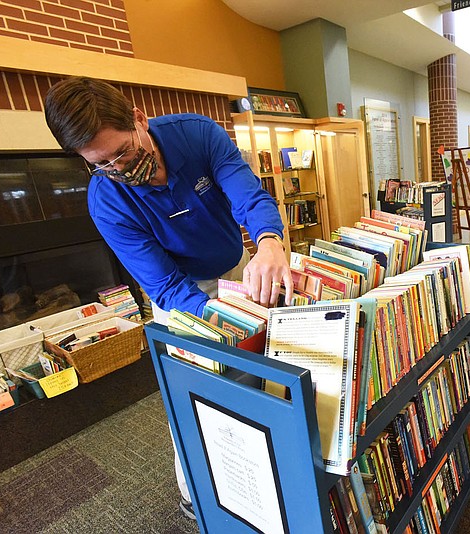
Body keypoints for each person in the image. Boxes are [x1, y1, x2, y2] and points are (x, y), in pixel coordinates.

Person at [43, 76, 293, 519]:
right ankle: (195, 496)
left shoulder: (197, 134)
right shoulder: (108, 202)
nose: (119, 169)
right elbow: (165, 286)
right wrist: (225, 320)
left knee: (259, 372)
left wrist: (270, 243)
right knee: (196, 396)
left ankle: (259, 477)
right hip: (182, 293)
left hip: (237, 268)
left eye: (122, 153)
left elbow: (249, 198)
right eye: (101, 164)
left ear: (138, 119)